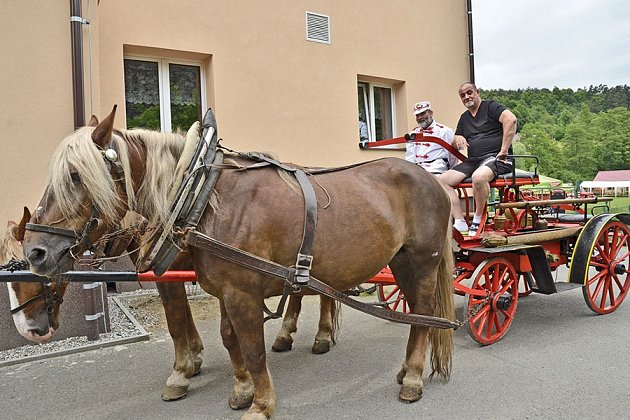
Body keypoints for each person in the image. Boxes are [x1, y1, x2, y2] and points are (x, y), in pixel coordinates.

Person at [438, 82, 517, 236]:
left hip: (496, 158)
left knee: (479, 178)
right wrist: (458, 137)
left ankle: (478, 217)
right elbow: (457, 137)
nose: (466, 97)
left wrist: (504, 150)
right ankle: (460, 221)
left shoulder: (491, 107)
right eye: (463, 95)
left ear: (477, 92)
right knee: (442, 180)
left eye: (469, 92)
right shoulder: (465, 118)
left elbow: (511, 119)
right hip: (474, 160)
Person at [405, 101, 459, 174]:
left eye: (423, 113)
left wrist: (450, 172)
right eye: (417, 115)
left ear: (431, 113)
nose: (420, 117)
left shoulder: (444, 131)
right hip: (418, 170)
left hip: (437, 168)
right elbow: (410, 158)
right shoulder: (413, 134)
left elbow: (452, 156)